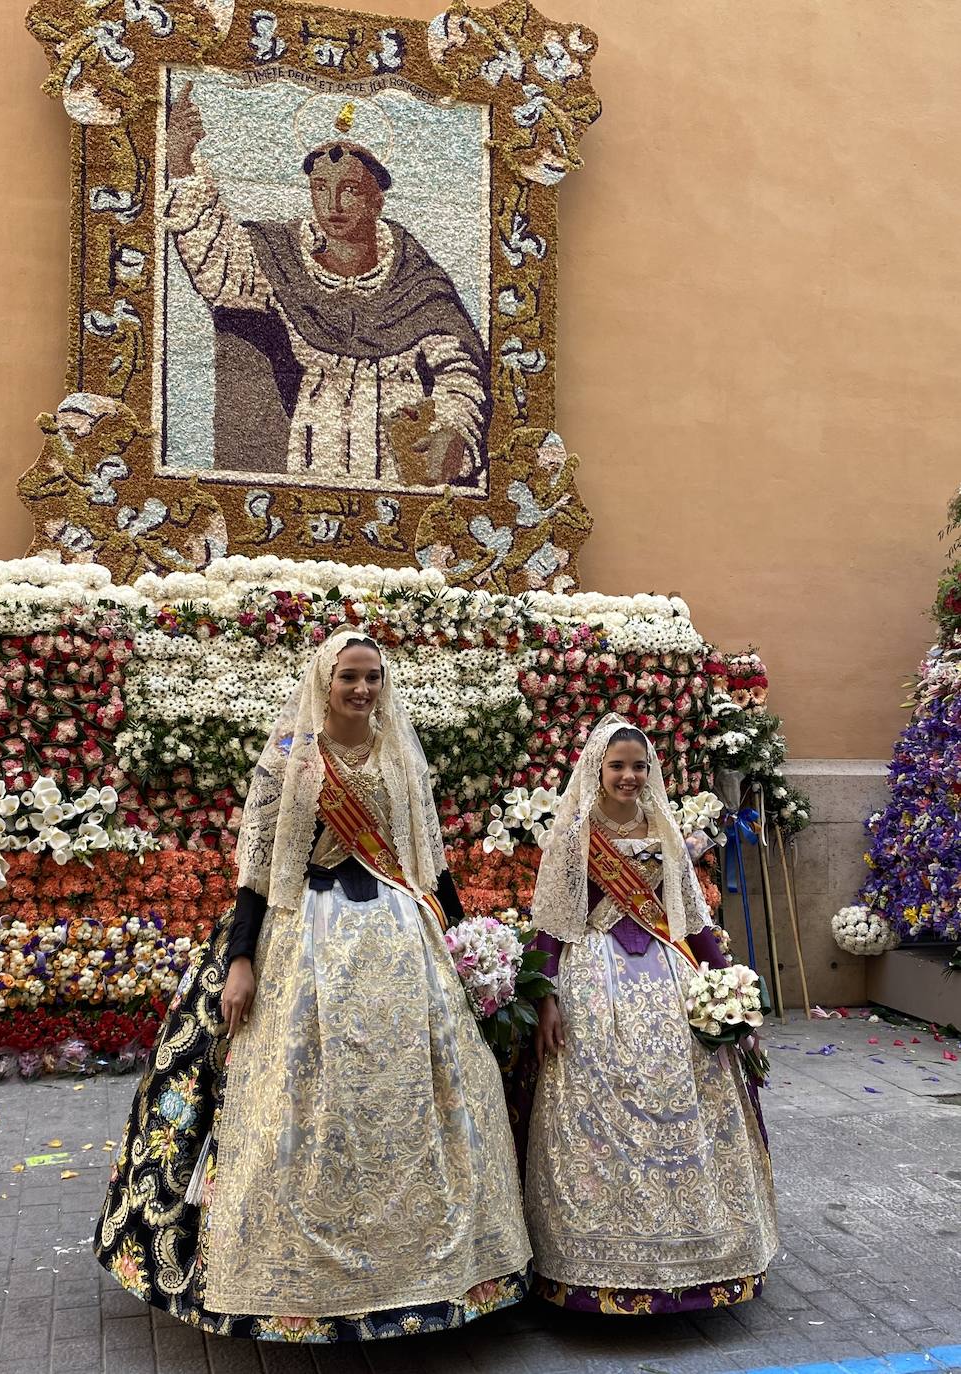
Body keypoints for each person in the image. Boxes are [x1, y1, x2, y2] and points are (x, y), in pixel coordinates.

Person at [94, 627, 531, 1341]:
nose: (362, 690)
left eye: (372, 678)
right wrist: (240, 961)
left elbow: (430, 862)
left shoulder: (399, 755)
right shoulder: (289, 757)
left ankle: (442, 1273)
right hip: (303, 938)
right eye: (349, 677)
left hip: (399, 937)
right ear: (324, 682)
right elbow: (258, 868)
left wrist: (464, 945)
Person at [524, 714, 777, 1315]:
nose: (629, 776)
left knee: (680, 1090)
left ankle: (697, 1245)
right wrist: (546, 997)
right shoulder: (575, 834)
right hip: (592, 978)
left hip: (667, 977)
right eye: (618, 766)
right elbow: (552, 927)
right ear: (597, 769)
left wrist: (725, 988)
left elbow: (693, 922)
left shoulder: (664, 828)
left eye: (639, 766)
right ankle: (593, 1255)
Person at [164, 83, 490, 485]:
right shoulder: (284, 261)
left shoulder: (413, 276)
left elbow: (461, 369)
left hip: (399, 462)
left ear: (376, 200)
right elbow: (222, 266)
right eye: (321, 188)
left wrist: (452, 428)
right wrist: (180, 160)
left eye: (350, 190)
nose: (332, 204)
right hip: (314, 447)